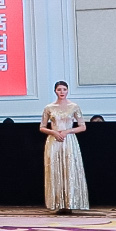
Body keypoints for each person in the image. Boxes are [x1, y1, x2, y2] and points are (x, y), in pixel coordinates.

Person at [42, 81, 91, 213]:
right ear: (55, 91)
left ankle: (70, 203)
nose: (62, 92)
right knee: (55, 170)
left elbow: (82, 126)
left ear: (67, 90)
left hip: (69, 140)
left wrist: (68, 131)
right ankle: (58, 203)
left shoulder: (74, 107)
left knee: (69, 169)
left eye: (64, 89)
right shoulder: (49, 108)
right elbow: (42, 127)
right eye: (59, 89)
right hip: (54, 141)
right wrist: (53, 132)